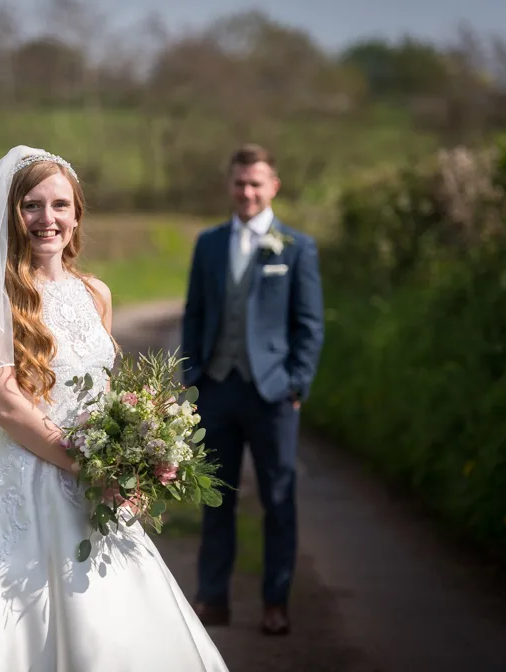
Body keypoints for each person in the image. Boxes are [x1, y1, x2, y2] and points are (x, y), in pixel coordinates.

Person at [0, 146, 229, 672]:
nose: (46, 219)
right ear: (12, 214)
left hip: (99, 490)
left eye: (59, 206)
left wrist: (135, 454)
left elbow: (106, 393)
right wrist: (90, 468)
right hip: (23, 483)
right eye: (31, 205)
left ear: (77, 216)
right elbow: (6, 405)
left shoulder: (96, 292)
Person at [181, 143, 325, 636]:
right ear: (230, 185)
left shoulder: (296, 246)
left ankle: (275, 602)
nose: (247, 191)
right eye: (240, 182)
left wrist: (297, 384)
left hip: (273, 395)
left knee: (278, 500)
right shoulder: (208, 243)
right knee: (215, 497)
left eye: (256, 183)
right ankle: (212, 598)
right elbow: (194, 314)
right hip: (217, 388)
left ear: (273, 187)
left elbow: (309, 324)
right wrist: (192, 377)